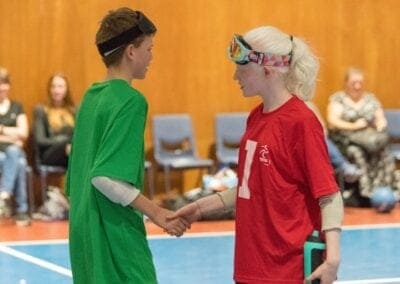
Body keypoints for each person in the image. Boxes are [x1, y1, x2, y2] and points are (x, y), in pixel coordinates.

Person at [171, 27, 343, 283]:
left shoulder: (301, 121)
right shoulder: (256, 117)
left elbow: (328, 194)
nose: (234, 76)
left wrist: (333, 260)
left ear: (267, 69)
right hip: (251, 265)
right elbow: (250, 186)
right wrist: (199, 207)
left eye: (242, 68)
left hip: (288, 269)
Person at [65, 8, 188, 284]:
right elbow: (104, 178)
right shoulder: (131, 101)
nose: (151, 57)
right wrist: (156, 212)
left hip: (83, 231)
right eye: (149, 48)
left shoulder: (90, 97)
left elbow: (77, 180)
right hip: (113, 231)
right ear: (131, 51)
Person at [327, 67, 400, 202]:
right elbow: (333, 121)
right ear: (346, 83)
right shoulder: (338, 99)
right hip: (345, 141)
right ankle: (363, 193)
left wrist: (380, 124)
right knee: (356, 152)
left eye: (360, 82)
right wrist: (354, 126)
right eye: (354, 82)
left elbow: (380, 118)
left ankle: (385, 189)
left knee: (383, 151)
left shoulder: (370, 99)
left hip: (368, 139)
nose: (357, 86)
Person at [0, 67, 30, 226]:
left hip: (12, 152)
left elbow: (24, 133)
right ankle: (22, 210)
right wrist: (12, 137)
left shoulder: (16, 106)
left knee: (15, 156)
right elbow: (18, 136)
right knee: (19, 162)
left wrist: (2, 130)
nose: (1, 87)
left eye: (4, 83)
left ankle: (3, 196)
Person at [305, 101, 363, 183]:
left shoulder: (308, 104)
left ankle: (344, 167)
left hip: (315, 140)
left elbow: (322, 127)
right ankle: (344, 166)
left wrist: (318, 135)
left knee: (321, 140)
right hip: (299, 143)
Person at [33, 73, 75, 168]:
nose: (56, 90)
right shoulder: (41, 110)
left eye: (60, 87)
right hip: (49, 154)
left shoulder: (73, 111)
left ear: (66, 89)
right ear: (49, 89)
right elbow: (40, 141)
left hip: (70, 154)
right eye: (53, 87)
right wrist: (64, 143)